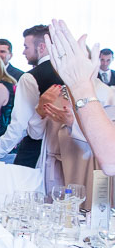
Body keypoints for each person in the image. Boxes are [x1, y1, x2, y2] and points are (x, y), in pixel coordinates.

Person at [0, 25, 63, 169]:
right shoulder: (67, 71)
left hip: (35, 152)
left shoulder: (30, 77)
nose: (24, 52)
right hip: (65, 151)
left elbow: (19, 125)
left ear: (41, 47)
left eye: (26, 47)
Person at [45, 19, 115, 176]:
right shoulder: (56, 90)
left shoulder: (107, 93)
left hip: (86, 168)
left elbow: (111, 159)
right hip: (56, 163)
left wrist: (81, 86)